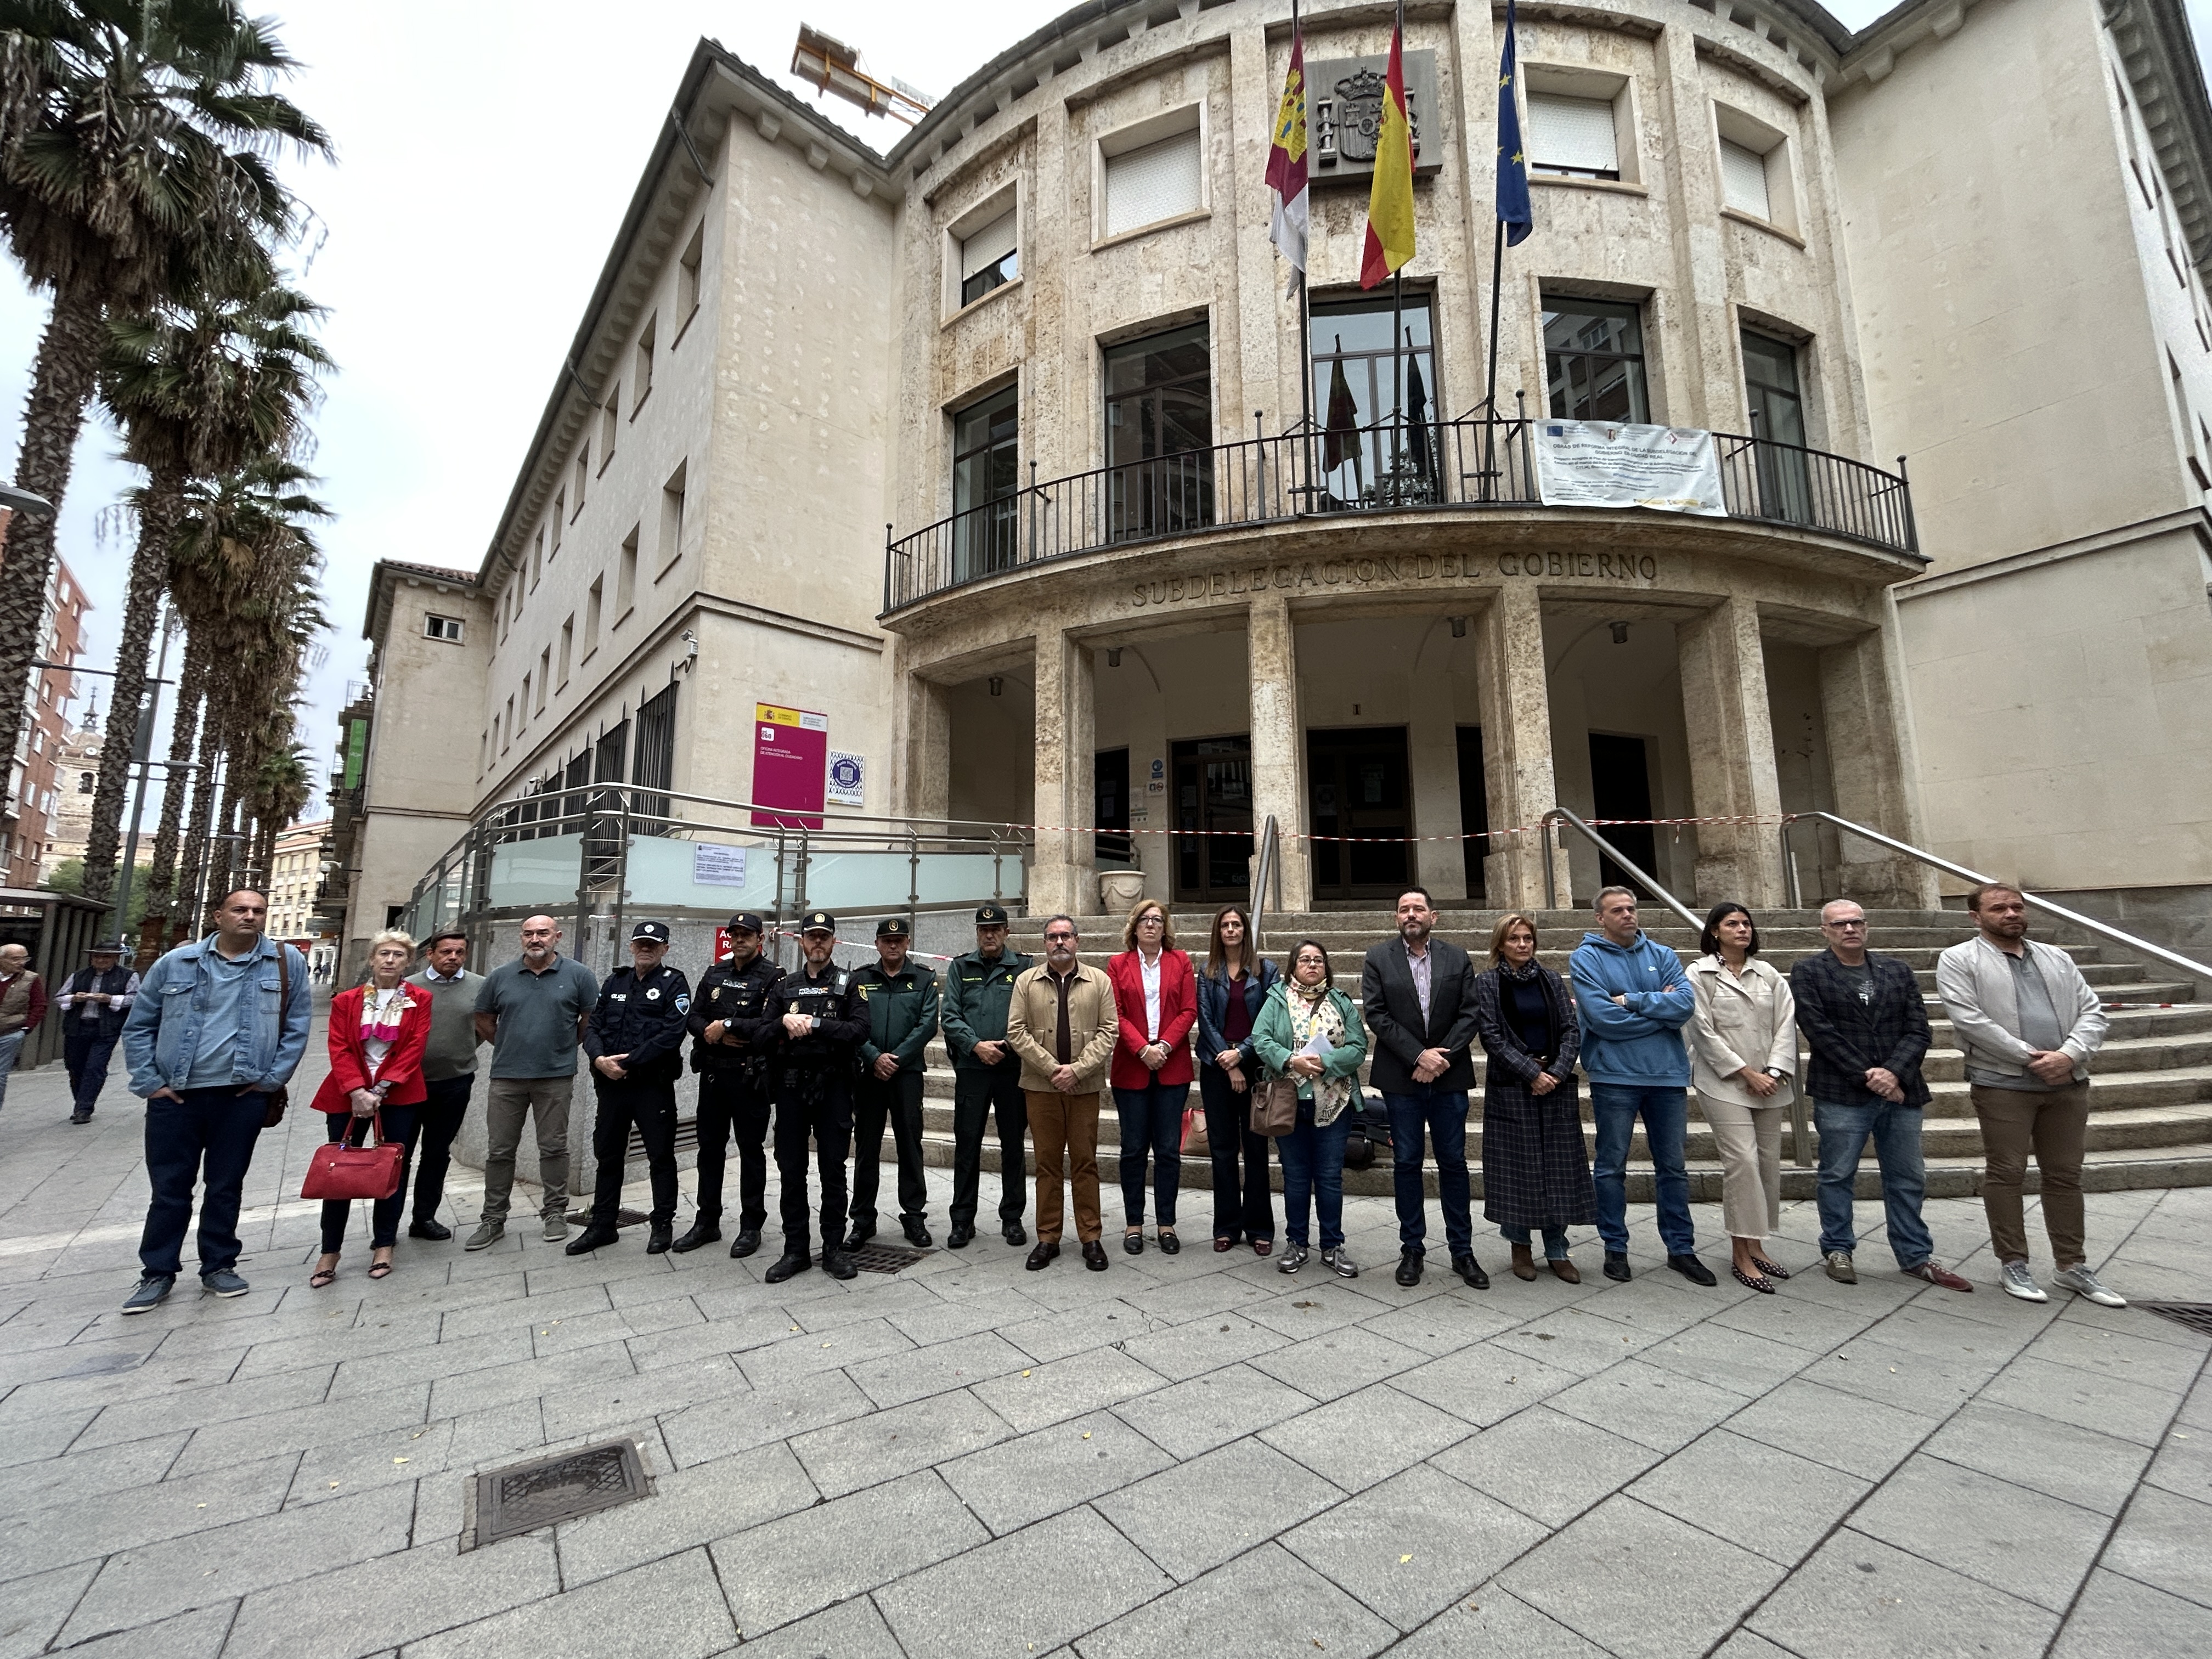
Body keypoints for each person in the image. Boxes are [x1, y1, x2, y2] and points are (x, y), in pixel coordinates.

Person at [118, 890, 312, 1313]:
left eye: (258, 911)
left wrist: (270, 1080)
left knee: (226, 1186)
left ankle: (219, 1266)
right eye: (240, 910)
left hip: (241, 1096)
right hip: (177, 1096)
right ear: (218, 915)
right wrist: (150, 1083)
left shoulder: (285, 962)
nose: (250, 916)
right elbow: (139, 1026)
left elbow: (298, 1025)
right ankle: (157, 1272)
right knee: (169, 1189)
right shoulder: (176, 962)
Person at [1937, 883, 2122, 1307]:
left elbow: (2092, 1011)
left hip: (2067, 1083)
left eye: (2017, 907)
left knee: (2065, 1175)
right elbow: (1970, 1020)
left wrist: (2069, 1055)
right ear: (1976, 917)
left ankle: (2071, 1265)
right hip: (2003, 1084)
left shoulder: (2057, 957)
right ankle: (2013, 1262)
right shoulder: (1959, 959)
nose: (2011, 914)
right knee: (2007, 1173)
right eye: (1999, 908)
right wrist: (2030, 1057)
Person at [1790, 900, 1971, 1292]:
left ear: (1866, 926)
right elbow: (1818, 1030)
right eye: (1840, 924)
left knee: (1907, 1175)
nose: (1849, 929)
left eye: (1856, 922)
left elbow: (1919, 1029)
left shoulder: (1897, 970)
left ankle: (1915, 1255)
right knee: (1837, 1174)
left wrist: (1893, 1073)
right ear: (1825, 931)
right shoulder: (1809, 971)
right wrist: (1868, 1075)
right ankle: (1838, 1249)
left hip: (1902, 1090)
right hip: (1841, 1092)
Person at [1570, 887, 1711, 1287]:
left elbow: (1684, 1006)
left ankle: (1681, 1249)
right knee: (1611, 1166)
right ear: (1600, 918)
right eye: (1617, 910)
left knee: (1674, 1168)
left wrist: (1629, 1000)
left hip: (1667, 1076)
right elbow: (1602, 1019)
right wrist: (1658, 1011)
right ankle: (1615, 1248)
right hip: (1614, 1075)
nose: (1628, 915)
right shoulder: (1586, 958)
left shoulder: (1663, 955)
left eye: (1631, 908)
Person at [1362, 887, 1487, 1289]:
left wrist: (1439, 1059)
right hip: (1402, 1078)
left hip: (1449, 1075)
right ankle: (1412, 1249)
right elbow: (1377, 1015)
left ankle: (1462, 1251)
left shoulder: (1457, 957)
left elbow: (1470, 1013)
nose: (1410, 914)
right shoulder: (1378, 958)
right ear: (1396, 918)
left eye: (1418, 908)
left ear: (1434, 916)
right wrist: (1418, 1056)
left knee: (1453, 1162)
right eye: (1404, 909)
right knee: (1407, 1163)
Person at [739, 910, 868, 1283]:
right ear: (802, 942)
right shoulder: (785, 986)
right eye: (812, 936)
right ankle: (795, 1250)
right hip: (791, 1088)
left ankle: (833, 1250)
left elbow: (861, 1030)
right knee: (792, 1170)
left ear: (834, 941)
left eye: (824, 937)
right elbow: (759, 1036)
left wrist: (816, 1024)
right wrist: (782, 1022)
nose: (818, 943)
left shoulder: (850, 983)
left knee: (833, 1170)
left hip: (833, 1087)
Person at [307, 929, 433, 1286]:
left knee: (392, 1169)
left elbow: (415, 1047)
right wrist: (357, 1090)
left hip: (399, 1094)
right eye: (384, 954)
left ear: (408, 962)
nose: (390, 960)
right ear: (372, 959)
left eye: (398, 955)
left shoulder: (420, 999)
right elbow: (339, 1047)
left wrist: (380, 1088)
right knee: (338, 1170)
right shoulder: (346, 1001)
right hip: (346, 1094)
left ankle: (384, 1244)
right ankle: (330, 1250)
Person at [468, 913, 599, 1251]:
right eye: (528, 934)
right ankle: (493, 1218)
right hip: (506, 1077)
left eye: (543, 933)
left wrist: (563, 1046)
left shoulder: (579, 975)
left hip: (555, 1077)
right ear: (521, 937)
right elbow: (483, 1017)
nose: (535, 939)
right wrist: (508, 1043)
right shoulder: (501, 976)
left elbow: (590, 1019)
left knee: (554, 1148)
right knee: (500, 1151)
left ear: (558, 936)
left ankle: (555, 1213)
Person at [1688, 903, 1799, 1294]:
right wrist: (1745, 1073)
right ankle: (1740, 1252)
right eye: (1732, 924)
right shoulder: (1699, 973)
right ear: (1714, 931)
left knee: (1768, 1163)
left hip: (1770, 1082)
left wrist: (1773, 1072)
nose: (1742, 930)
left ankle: (1757, 1243)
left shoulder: (1768, 973)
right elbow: (1701, 1030)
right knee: (1743, 1162)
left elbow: (1786, 1024)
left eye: (1746, 923)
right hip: (1724, 1083)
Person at [1472, 913, 1590, 1283]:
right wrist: (1531, 1073)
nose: (1522, 944)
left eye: (1527, 938)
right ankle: (1520, 1245)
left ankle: (1557, 1248)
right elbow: (1491, 1036)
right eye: (1514, 939)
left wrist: (1555, 1072)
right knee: (1515, 1168)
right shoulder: (1488, 983)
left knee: (1558, 1168)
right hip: (1513, 1085)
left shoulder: (1551, 979)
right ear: (1500, 944)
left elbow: (1571, 1028)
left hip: (1554, 1085)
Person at [569, 921, 692, 1256]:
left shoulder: (673, 983)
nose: (646, 948)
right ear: (631, 947)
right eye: (641, 943)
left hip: (651, 1086)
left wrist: (627, 1062)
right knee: (608, 1156)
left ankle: (662, 1224)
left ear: (665, 949)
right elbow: (593, 1026)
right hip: (612, 1086)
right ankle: (603, 1225)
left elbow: (672, 1034)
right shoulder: (615, 981)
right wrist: (599, 1059)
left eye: (653, 944)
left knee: (660, 1157)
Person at [1006, 914, 1117, 1272]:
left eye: (1066, 936)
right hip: (1041, 1087)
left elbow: (1109, 1031)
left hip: (1084, 1088)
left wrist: (1078, 1070)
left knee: (1085, 1162)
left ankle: (1091, 1237)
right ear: (1044, 943)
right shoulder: (1026, 982)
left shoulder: (1099, 981)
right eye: (1053, 937)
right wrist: (1053, 1069)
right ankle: (1048, 1238)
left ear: (1077, 941)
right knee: (1047, 1164)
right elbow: (1016, 1032)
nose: (1059, 942)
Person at [1251, 939, 1368, 1277]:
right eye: (1305, 960)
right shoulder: (1277, 999)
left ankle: (1332, 1246)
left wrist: (1325, 1062)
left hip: (1334, 1102)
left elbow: (1358, 1046)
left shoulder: (1341, 1001)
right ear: (1293, 966)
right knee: (1296, 1177)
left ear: (1326, 967)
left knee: (1330, 1177)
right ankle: (1297, 1244)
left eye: (1318, 960)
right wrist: (1291, 1060)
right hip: (1290, 1102)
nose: (1312, 965)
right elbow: (1261, 1040)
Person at [675, 912, 783, 1257]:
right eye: (734, 934)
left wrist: (726, 1024)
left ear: (760, 939)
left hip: (749, 1077)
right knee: (709, 1149)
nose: (739, 939)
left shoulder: (774, 976)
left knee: (751, 1151)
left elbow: (769, 1024)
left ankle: (751, 1225)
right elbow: (693, 1017)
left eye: (746, 934)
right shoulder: (714, 973)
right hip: (713, 1074)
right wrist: (715, 1034)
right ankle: (707, 1221)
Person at [937, 904, 1032, 1250]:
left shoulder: (1023, 967)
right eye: (983, 930)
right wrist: (976, 1046)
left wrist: (1005, 1044)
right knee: (967, 1145)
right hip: (973, 1068)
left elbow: (1031, 1014)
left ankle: (1013, 1219)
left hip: (1011, 1067)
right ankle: (962, 1220)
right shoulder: (961, 967)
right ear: (977, 933)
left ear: (1007, 932)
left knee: (1013, 1145)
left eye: (995, 929)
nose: (989, 935)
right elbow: (950, 1015)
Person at [1107, 899, 1197, 1255]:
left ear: (1165, 927)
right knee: (1133, 1150)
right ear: (1134, 925)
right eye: (1144, 919)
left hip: (1172, 1068)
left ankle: (1166, 1224)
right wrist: (1143, 1049)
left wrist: (1165, 1046)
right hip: (1132, 1067)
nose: (1151, 925)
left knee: (1168, 1151)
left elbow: (1188, 1010)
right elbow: (1115, 1013)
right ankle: (1134, 1224)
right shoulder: (1118, 964)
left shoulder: (1180, 961)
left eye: (1157, 920)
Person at [848, 917, 940, 1250]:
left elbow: (927, 1025)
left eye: (899, 940)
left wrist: (895, 1059)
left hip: (907, 1075)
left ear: (907, 942)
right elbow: (851, 1022)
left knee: (910, 1146)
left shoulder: (924, 979)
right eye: (887, 940)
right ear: (876, 943)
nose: (893, 944)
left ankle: (914, 1217)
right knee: (866, 1148)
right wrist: (874, 1057)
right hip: (869, 1075)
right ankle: (862, 1220)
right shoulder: (861, 979)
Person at [1194, 905, 1278, 1255]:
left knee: (1256, 1149)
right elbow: (1205, 1020)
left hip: (1256, 1068)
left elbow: (1270, 1021)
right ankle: (1226, 1226)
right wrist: (1229, 1064)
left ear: (1246, 930)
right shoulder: (1207, 971)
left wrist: (1241, 1055)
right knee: (1223, 1150)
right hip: (1217, 1068)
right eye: (1225, 925)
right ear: (1219, 932)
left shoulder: (1266, 971)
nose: (1231, 930)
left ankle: (1259, 1228)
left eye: (1237, 924)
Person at [402, 930, 483, 1240]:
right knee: (399, 1155)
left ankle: (424, 1218)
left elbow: (484, 1026)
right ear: (430, 954)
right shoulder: (408, 987)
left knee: (437, 1154)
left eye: (459, 952)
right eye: (446, 952)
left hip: (454, 1084)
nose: (453, 957)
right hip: (408, 1084)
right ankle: (387, 1224)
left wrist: (462, 1052)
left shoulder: (480, 986)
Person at [59, 940, 137, 1124]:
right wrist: (74, 998)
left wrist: (111, 999)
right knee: (75, 1067)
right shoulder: (79, 975)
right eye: (97, 957)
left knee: (95, 1067)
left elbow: (135, 998)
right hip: (77, 1027)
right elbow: (60, 997)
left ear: (116, 959)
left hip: (106, 1029)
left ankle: (84, 1108)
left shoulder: (128, 976)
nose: (101, 960)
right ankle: (81, 1102)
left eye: (106, 957)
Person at [0, 941, 48, 1116]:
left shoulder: (30, 979)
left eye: (24, 959)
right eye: (15, 959)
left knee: (0, 1075)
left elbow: (40, 1005)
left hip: (9, 1033)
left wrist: (26, 1028)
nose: (21, 963)